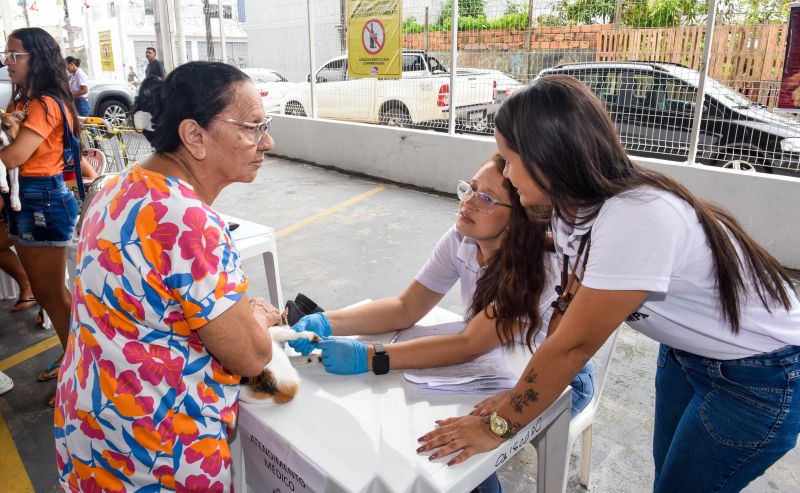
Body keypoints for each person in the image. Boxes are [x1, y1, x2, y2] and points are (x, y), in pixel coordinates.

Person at [417, 75, 800, 492]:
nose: (505, 172)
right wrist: (516, 399)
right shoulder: (570, 211)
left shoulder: (636, 215)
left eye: (509, 160)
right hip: (687, 356)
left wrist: (500, 423)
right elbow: (568, 309)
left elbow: (575, 346)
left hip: (762, 376)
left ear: (547, 157)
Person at [289, 155, 595, 493]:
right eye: (471, 189)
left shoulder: (537, 267)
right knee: (425, 422)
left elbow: (467, 345)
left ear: (518, 218)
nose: (468, 202)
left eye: (486, 199)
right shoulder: (461, 238)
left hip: (555, 379)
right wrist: (324, 322)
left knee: (456, 445)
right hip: (493, 363)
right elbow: (406, 307)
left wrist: (371, 356)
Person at [55, 61, 279, 491]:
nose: (267, 141)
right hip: (157, 454)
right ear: (194, 135)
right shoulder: (189, 222)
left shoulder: (116, 188)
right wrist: (258, 318)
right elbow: (251, 356)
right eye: (252, 127)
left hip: (91, 430)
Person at [2, 28, 82, 400]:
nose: (8, 61)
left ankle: (78, 376)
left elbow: (15, 156)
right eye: (6, 54)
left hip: (42, 199)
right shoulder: (29, 100)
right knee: (52, 295)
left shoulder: (44, 103)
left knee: (53, 296)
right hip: (31, 200)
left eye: (15, 55)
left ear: (38, 57)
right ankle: (74, 361)